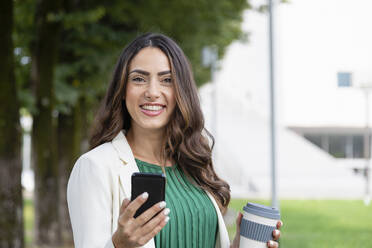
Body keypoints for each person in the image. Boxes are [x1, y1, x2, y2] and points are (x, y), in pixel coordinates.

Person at [67, 33, 282, 248]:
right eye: (139, 79)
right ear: (123, 90)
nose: (152, 92)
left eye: (167, 80)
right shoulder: (94, 167)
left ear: (182, 91)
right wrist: (119, 244)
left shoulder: (194, 165)